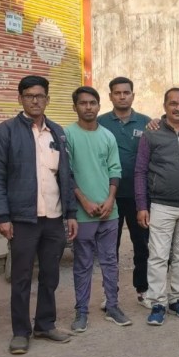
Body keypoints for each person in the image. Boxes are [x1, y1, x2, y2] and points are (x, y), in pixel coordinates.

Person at [0, 75, 78, 354]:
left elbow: (66, 175)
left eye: (40, 96)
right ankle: (20, 332)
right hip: (23, 218)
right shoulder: (5, 132)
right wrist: (2, 216)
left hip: (54, 217)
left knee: (50, 274)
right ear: (20, 99)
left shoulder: (57, 132)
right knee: (22, 277)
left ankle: (45, 324)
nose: (35, 101)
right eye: (29, 96)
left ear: (47, 99)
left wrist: (70, 213)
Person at [134, 87, 179, 326]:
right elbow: (140, 171)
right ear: (165, 106)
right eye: (173, 103)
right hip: (161, 205)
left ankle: (177, 300)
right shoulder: (151, 133)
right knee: (158, 257)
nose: (178, 108)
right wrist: (142, 205)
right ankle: (158, 303)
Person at [65, 86, 130, 331]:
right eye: (83, 103)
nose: (88, 107)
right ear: (75, 107)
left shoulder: (107, 136)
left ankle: (112, 306)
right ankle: (81, 311)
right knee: (83, 264)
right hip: (83, 214)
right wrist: (83, 201)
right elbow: (66, 173)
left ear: (99, 106)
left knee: (110, 261)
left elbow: (115, 169)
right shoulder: (67, 135)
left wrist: (110, 199)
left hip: (108, 211)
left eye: (92, 103)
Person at [98, 77, 152, 306]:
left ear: (133, 95)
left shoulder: (147, 123)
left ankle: (143, 290)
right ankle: (110, 294)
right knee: (110, 248)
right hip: (109, 196)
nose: (122, 96)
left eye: (126, 92)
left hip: (139, 196)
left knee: (142, 245)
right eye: (117, 92)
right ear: (110, 96)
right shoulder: (100, 123)